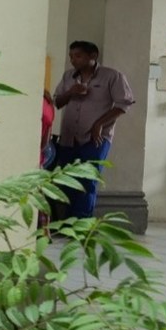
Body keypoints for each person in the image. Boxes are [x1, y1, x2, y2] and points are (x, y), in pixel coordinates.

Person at [48, 39, 136, 222]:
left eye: (78, 56)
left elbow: (124, 104)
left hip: (96, 138)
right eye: (71, 56)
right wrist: (71, 92)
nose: (73, 60)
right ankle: (67, 223)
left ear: (93, 56)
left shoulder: (112, 76)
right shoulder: (68, 76)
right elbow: (57, 102)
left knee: (87, 181)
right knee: (67, 179)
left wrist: (99, 124)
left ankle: (82, 223)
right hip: (69, 137)